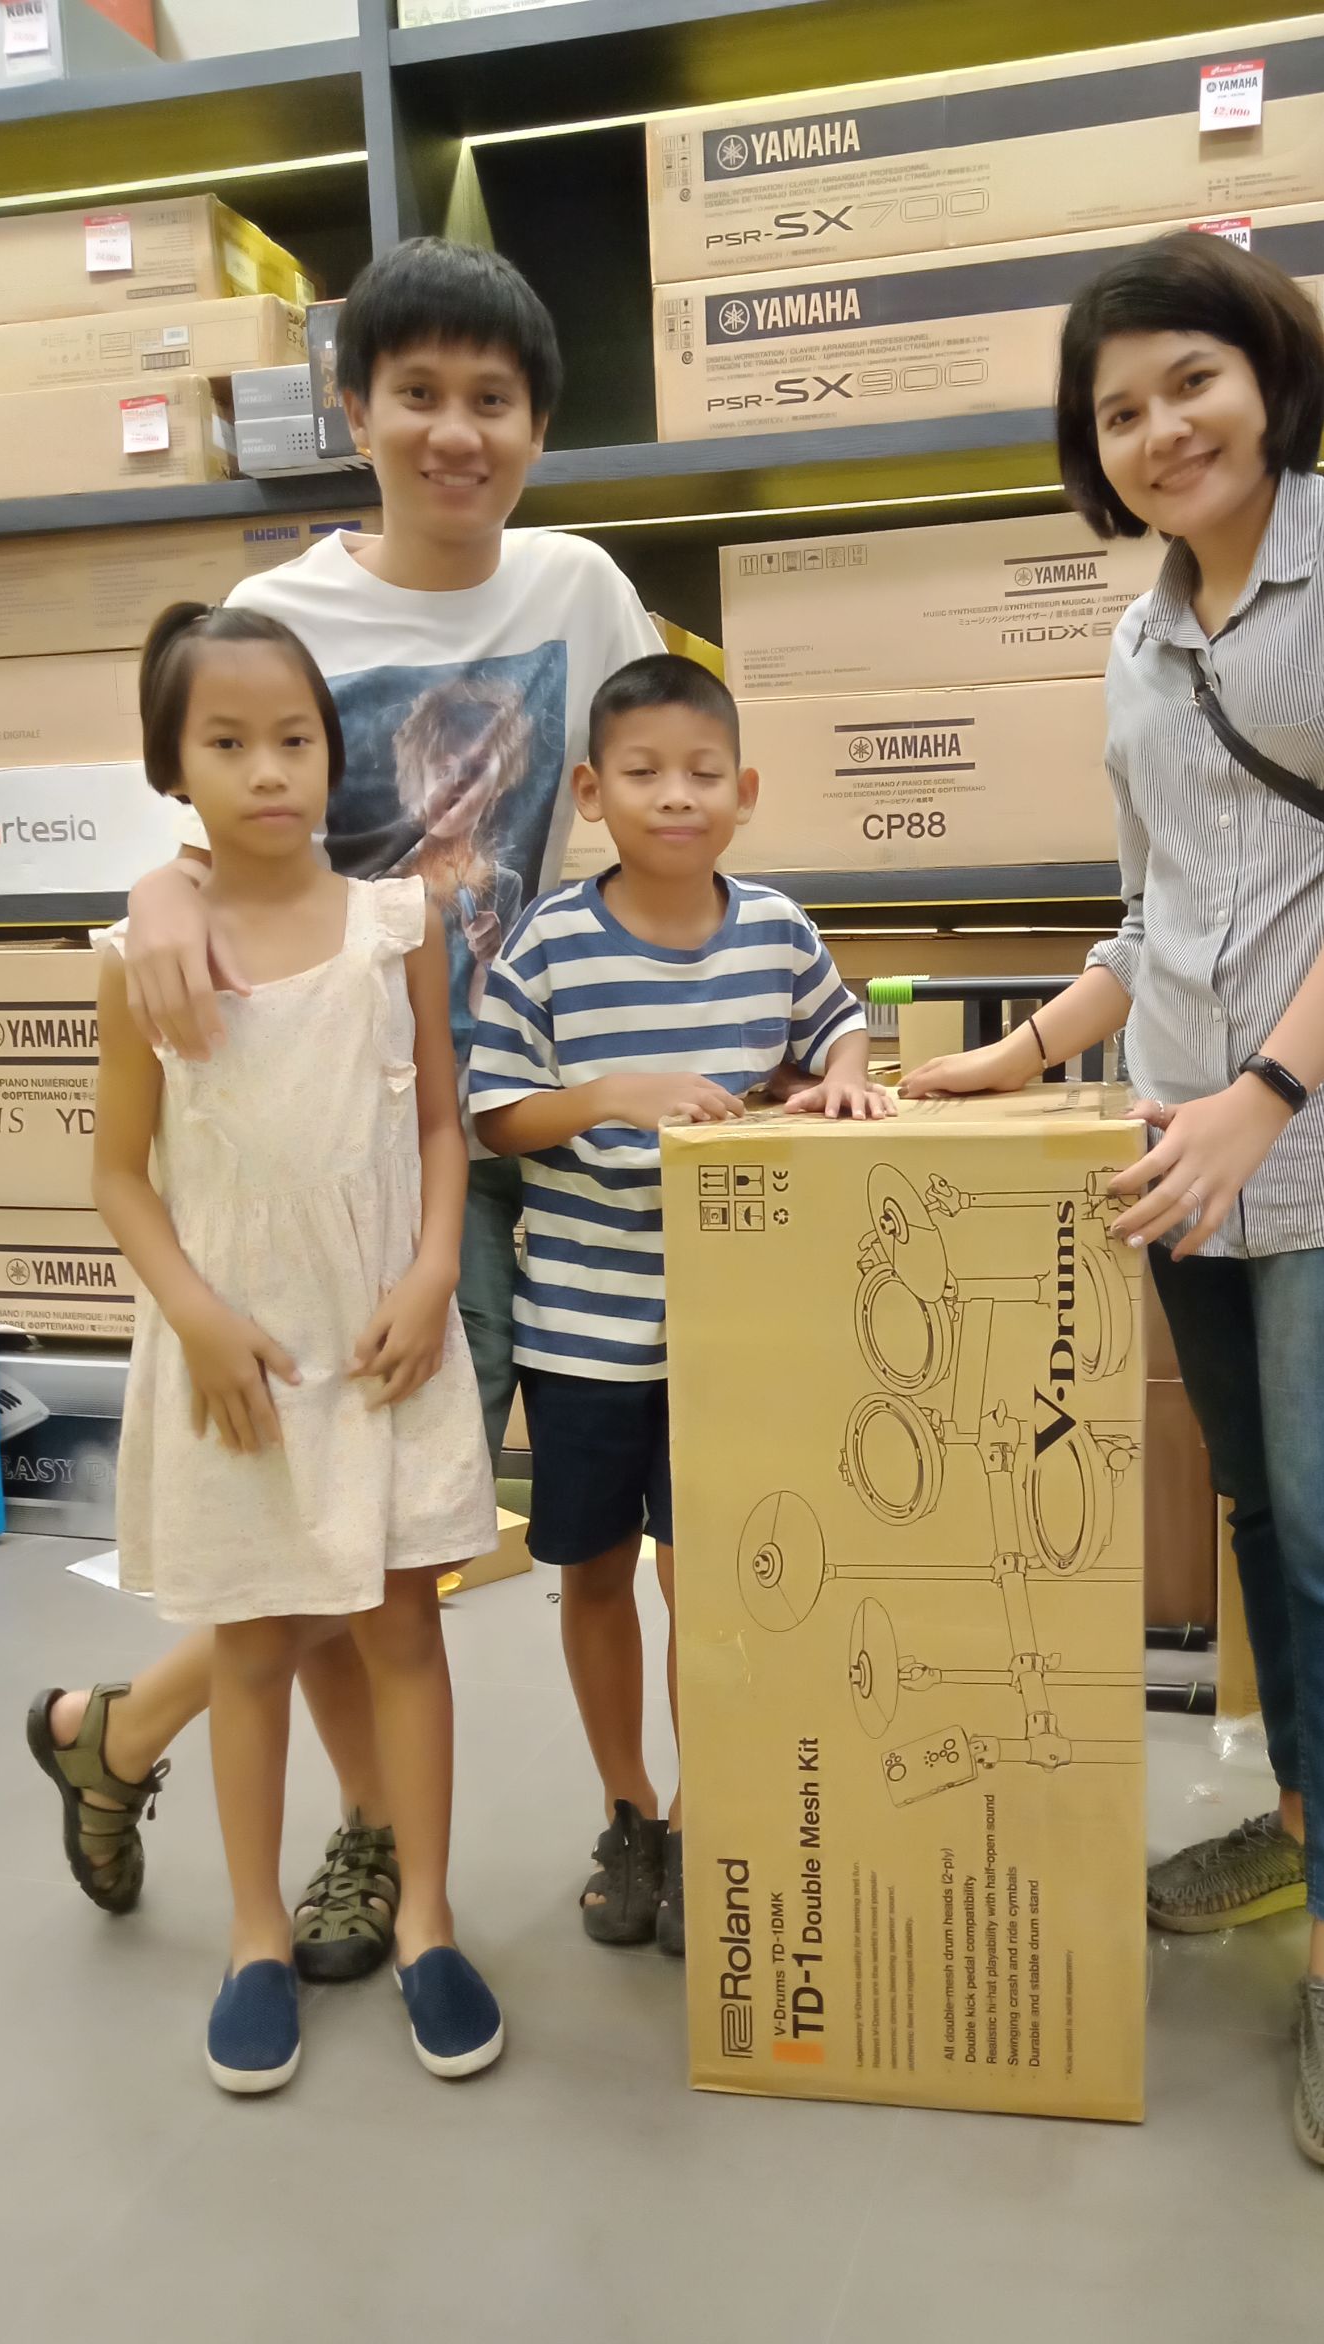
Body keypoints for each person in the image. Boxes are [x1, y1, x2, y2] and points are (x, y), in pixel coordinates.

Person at [903, 232, 1324, 2175]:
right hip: (1184, 1155)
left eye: (1190, 380)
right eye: (1117, 411)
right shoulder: (1139, 638)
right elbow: (1154, 912)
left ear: (1267, 377)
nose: (1160, 429)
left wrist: (1267, 1094)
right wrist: (1019, 1053)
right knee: (1253, 1507)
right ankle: (1309, 1822)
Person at [28, 239, 662, 1978]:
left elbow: (661, 777)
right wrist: (157, 886)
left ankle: (117, 1733)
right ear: (353, 409)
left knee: (404, 1517)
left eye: (492, 399)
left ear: (539, 425)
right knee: (345, 1511)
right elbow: (211, 785)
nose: (456, 432)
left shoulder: (581, 589)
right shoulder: (297, 608)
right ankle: (367, 1840)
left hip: (518, 1099)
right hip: (340, 1137)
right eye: (417, 393)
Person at [73, 603, 502, 2091]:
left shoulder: (399, 927)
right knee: (253, 1647)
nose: (268, 770)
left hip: (386, 1343)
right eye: (227, 742)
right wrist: (195, 1317)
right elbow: (118, 1173)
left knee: (404, 1629)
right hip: (238, 1361)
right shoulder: (142, 959)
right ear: (171, 768)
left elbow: (441, 1123)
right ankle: (255, 1936)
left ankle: (427, 1920)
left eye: (295, 738)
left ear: (334, 752)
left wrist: (436, 1268)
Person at [469, 654, 893, 1953]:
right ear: (592, 792)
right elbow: (495, 1116)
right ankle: (628, 1808)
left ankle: (712, 1806)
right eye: (644, 773)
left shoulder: (774, 928)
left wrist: (844, 1071)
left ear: (744, 792)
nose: (675, 796)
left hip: (736, 1331)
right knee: (595, 1572)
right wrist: (609, 1095)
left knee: (706, 1579)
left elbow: (838, 1024)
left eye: (703, 773)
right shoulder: (549, 942)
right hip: (584, 1335)